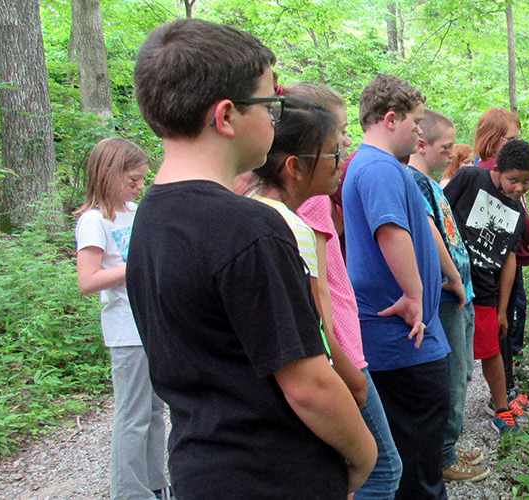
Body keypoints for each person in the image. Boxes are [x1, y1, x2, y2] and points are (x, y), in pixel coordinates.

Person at [126, 19, 376, 499]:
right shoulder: (251, 229)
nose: (275, 119)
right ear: (226, 117)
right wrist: (365, 455)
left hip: (201, 470)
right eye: (270, 105)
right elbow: (309, 386)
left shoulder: (150, 217)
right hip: (274, 475)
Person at [285, 82, 404, 500]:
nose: (346, 145)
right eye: (339, 133)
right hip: (342, 352)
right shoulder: (310, 196)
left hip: (333, 349)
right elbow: (318, 292)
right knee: (384, 467)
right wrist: (346, 368)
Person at [342, 74, 450, 500]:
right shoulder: (379, 168)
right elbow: (390, 230)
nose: (420, 132)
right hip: (402, 336)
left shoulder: (374, 166)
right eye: (416, 122)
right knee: (418, 460)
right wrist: (415, 296)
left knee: (417, 452)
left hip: (408, 334)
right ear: (391, 119)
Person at [73, 138, 169, 500]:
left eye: (142, 179)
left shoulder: (134, 211)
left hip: (152, 324)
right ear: (108, 174)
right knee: (133, 416)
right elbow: (88, 280)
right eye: (132, 180)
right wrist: (136, 266)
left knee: (156, 411)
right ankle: (130, 492)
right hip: (126, 331)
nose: (139, 187)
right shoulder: (94, 221)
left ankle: (156, 484)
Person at [405, 110, 488, 482]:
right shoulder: (413, 182)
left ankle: (449, 445)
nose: (451, 153)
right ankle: (443, 455)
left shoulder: (433, 183)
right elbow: (428, 230)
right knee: (453, 376)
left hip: (462, 294)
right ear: (421, 144)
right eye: (446, 147)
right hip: (448, 292)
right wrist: (453, 277)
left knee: (465, 371)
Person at [445, 139, 529, 435]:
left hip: (485, 288)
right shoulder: (470, 178)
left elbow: (509, 260)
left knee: (491, 349)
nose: (519, 188)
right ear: (496, 170)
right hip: (449, 279)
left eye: (526, 182)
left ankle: (501, 410)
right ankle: (443, 420)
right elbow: (438, 213)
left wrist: (501, 309)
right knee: (452, 354)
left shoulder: (517, 213)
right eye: (513, 180)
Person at [471, 108, 529, 418]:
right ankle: (503, 396)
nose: (516, 145)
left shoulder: (508, 173)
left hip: (507, 260)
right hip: (496, 266)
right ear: (493, 138)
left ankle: (509, 385)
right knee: (504, 324)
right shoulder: (488, 173)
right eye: (511, 139)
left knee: (512, 318)